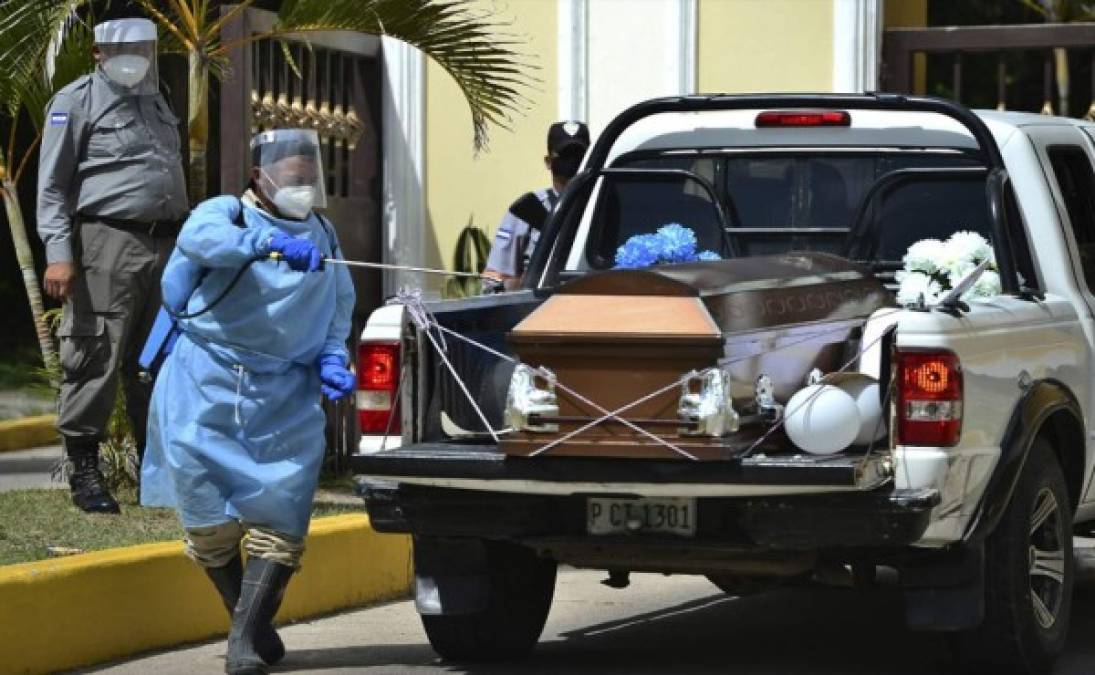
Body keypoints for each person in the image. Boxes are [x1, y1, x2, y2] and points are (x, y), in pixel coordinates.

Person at [140, 128, 355, 674]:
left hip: (284, 395)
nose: (304, 188)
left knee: (281, 517)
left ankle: (242, 638)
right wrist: (264, 243)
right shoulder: (227, 215)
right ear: (261, 178)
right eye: (294, 179)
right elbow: (198, 245)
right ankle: (253, 623)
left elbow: (339, 304)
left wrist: (333, 357)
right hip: (204, 385)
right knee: (208, 519)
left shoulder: (323, 235)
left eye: (312, 178)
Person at [37, 18, 188, 514]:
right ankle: (85, 471)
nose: (135, 56)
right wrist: (59, 255)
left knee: (155, 362)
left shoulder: (158, 98)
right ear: (99, 52)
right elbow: (54, 187)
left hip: (163, 246)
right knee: (94, 353)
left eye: (143, 47)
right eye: (123, 49)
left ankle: (156, 469)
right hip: (106, 242)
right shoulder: (74, 102)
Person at [481, 120, 591, 292]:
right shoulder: (526, 210)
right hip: (535, 306)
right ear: (548, 162)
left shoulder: (603, 205)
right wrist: (523, 283)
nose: (572, 162)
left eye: (579, 156)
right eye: (564, 155)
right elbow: (493, 282)